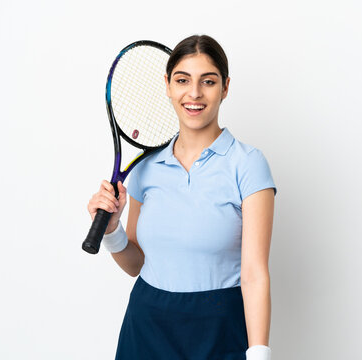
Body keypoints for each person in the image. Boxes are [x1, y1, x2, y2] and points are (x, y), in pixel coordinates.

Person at [88, 34, 277, 360]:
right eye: (182, 80)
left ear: (225, 87)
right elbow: (137, 265)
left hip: (218, 329)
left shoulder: (247, 164)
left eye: (208, 81)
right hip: (146, 328)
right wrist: (110, 231)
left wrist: (259, 354)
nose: (194, 93)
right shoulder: (146, 167)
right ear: (168, 85)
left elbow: (255, 274)